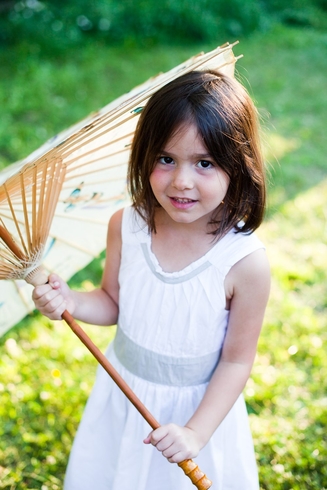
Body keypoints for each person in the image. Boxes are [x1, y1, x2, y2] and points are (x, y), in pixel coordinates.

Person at [32, 69, 270, 490]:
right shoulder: (127, 225)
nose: (181, 181)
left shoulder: (243, 263)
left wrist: (195, 433)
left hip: (196, 412)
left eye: (205, 163)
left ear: (238, 165)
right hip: (125, 395)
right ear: (144, 157)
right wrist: (69, 300)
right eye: (166, 159)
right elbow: (111, 301)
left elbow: (236, 361)